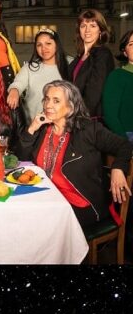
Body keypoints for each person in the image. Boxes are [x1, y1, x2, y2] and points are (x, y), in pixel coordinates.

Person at [19, 80, 132, 232]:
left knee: (37, 224)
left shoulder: (88, 129)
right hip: (47, 197)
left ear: (71, 107)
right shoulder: (43, 128)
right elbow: (22, 160)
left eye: (56, 101)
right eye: (46, 99)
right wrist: (32, 129)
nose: (48, 105)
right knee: (19, 214)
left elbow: (124, 145)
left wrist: (118, 168)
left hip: (80, 203)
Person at [7, 28, 69, 124]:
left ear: (56, 45)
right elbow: (18, 83)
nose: (43, 48)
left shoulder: (69, 64)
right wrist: (14, 90)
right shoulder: (30, 68)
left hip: (62, 127)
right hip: (34, 126)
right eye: (39, 45)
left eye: (48, 43)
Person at [68, 8, 115, 119]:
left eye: (93, 26)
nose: (87, 30)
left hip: (91, 118)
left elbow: (94, 92)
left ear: (100, 30)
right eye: (83, 26)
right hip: (75, 114)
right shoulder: (79, 57)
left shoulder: (103, 54)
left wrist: (81, 116)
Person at [103, 29, 133, 140]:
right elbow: (110, 115)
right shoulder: (117, 76)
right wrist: (125, 140)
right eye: (131, 44)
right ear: (125, 52)